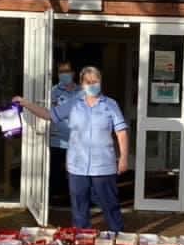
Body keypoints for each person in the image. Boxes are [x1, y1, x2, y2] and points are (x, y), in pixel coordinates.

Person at [14, 66, 129, 232]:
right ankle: (83, 240)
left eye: (95, 81)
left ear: (101, 82)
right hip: (77, 166)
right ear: (82, 84)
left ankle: (118, 238)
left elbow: (121, 132)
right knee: (79, 209)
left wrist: (124, 157)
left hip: (103, 166)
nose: (92, 84)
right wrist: (25, 103)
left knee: (110, 205)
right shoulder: (74, 104)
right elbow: (49, 115)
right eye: (88, 81)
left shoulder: (110, 105)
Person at [49, 61, 81, 205]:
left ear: (73, 73)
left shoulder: (81, 91)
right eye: (61, 71)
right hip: (57, 139)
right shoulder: (53, 91)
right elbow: (47, 112)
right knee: (56, 171)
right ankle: (53, 201)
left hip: (76, 140)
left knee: (74, 172)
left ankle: (74, 199)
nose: (64, 74)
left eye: (67, 71)